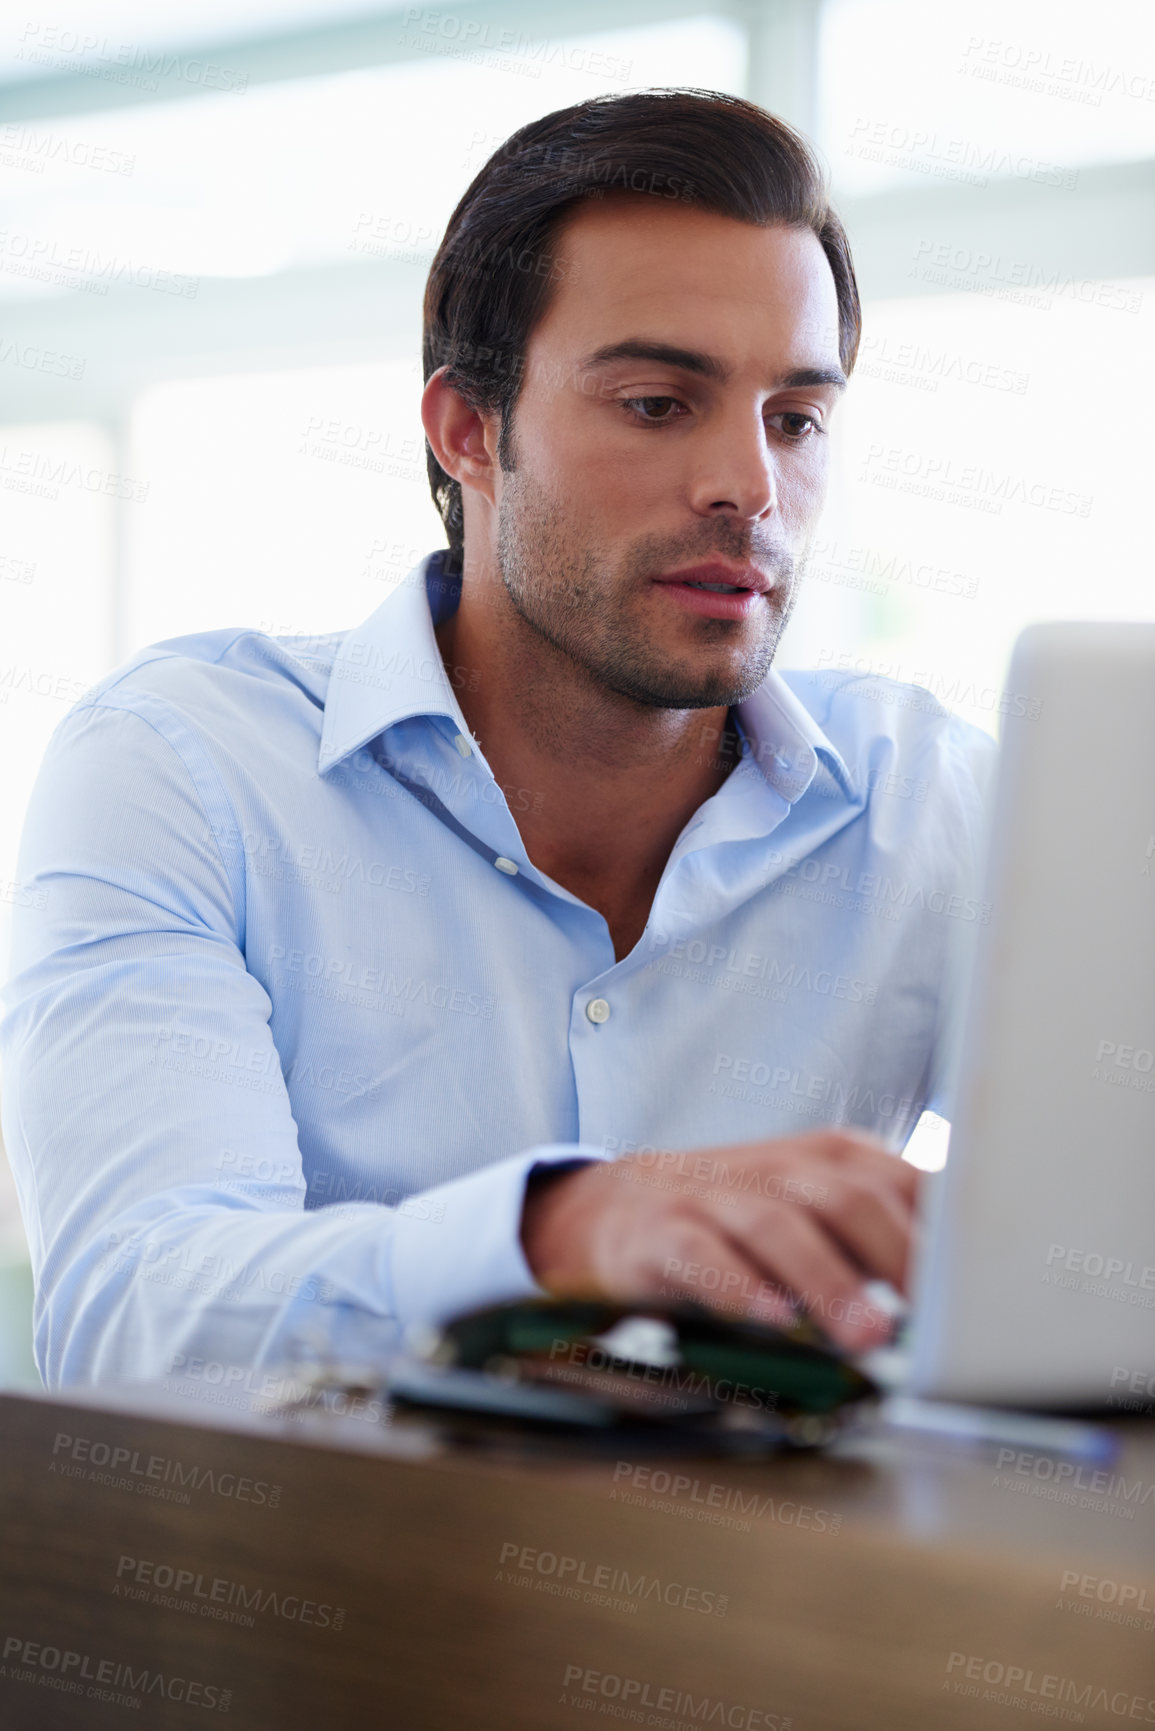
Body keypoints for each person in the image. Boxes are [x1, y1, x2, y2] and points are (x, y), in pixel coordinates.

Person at [0, 89, 994, 1391]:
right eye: (656, 402)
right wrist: (560, 1228)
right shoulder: (186, 765)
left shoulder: (937, 801)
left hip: (782, 1584)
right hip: (319, 1589)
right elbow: (136, 1314)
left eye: (795, 419)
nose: (750, 489)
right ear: (469, 431)